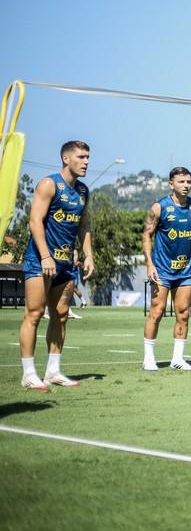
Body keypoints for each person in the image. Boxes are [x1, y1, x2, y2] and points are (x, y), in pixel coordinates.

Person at [19, 140, 94, 390]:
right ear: (66, 158)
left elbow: (83, 226)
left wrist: (88, 255)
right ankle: (29, 374)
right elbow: (34, 221)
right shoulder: (49, 184)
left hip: (66, 263)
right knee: (35, 314)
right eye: (81, 157)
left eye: (87, 157)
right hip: (41, 260)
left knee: (61, 316)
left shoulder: (83, 191)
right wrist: (45, 256)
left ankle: (53, 371)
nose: (86, 162)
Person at [142, 167, 191, 371]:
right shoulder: (159, 207)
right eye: (181, 182)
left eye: (188, 181)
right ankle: (149, 358)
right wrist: (149, 263)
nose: (186, 185)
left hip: (185, 270)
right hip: (161, 270)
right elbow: (146, 235)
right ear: (171, 184)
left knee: (183, 313)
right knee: (157, 311)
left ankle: (177, 359)